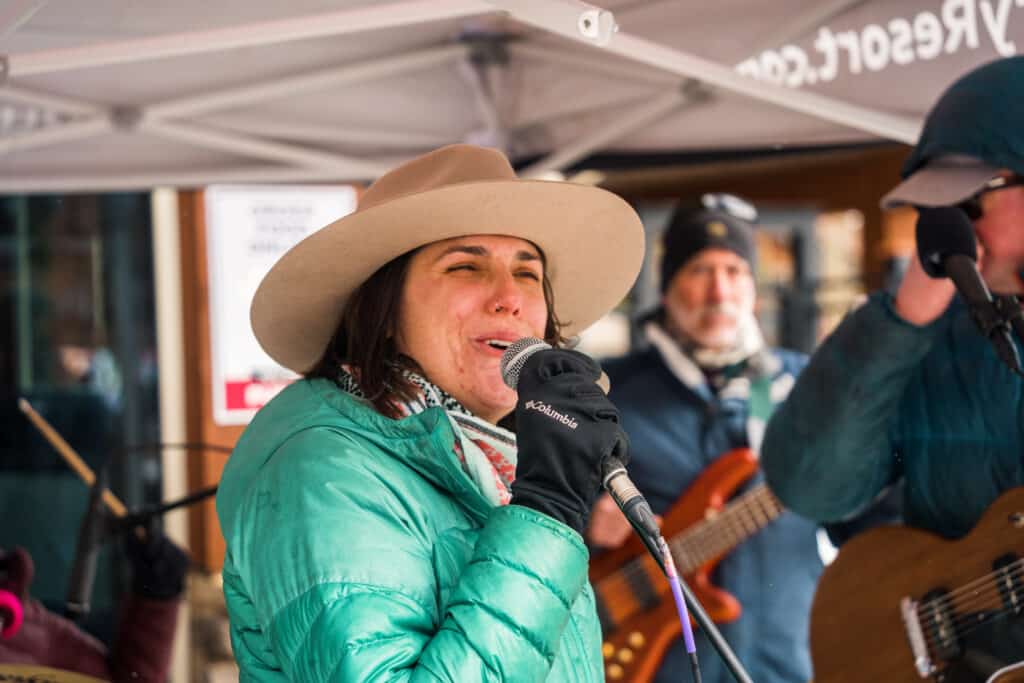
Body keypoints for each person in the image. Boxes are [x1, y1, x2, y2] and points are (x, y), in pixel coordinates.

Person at [215, 144, 646, 681]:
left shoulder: (481, 459)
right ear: (384, 310)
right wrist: (547, 512)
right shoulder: (324, 473)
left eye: (528, 274)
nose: (509, 298)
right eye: (466, 266)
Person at [761, 56, 1024, 675]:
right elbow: (811, 485)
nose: (954, 227)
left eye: (970, 201)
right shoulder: (930, 335)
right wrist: (898, 324)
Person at [586, 196, 823, 683]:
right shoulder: (607, 392)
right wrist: (585, 515)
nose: (719, 290)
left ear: (754, 289)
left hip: (781, 660)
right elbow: (536, 492)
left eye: (734, 270)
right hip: (655, 660)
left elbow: (870, 508)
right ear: (668, 286)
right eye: (699, 269)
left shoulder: (805, 388)